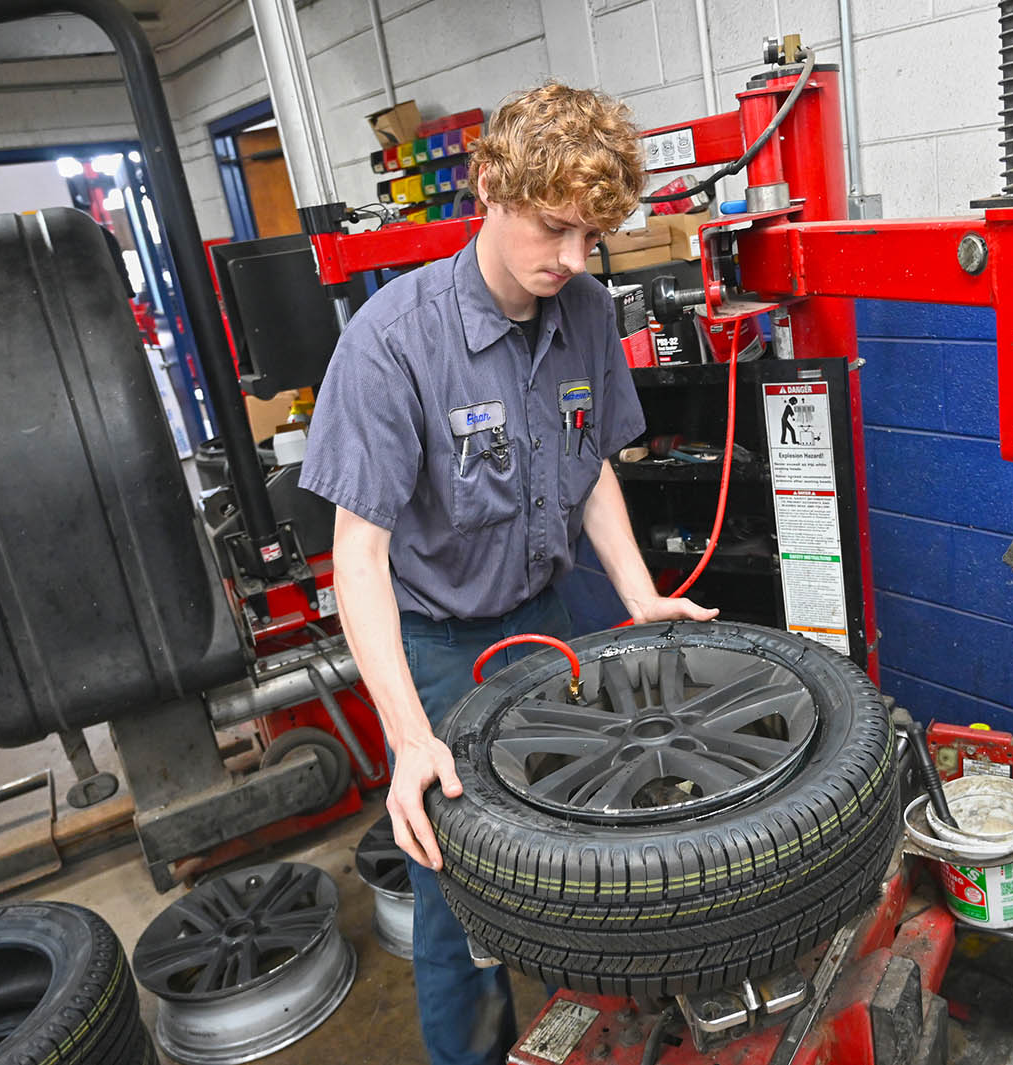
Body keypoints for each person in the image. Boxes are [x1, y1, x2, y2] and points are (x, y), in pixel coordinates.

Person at [299, 82, 717, 1065]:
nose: (573, 261)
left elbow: (592, 468)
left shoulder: (578, 311)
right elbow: (354, 557)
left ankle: (588, 1026)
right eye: (556, 229)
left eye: (592, 239)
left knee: (580, 838)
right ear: (487, 185)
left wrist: (637, 595)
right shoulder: (390, 347)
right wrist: (407, 740)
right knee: (464, 890)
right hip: (440, 649)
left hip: (547, 615)